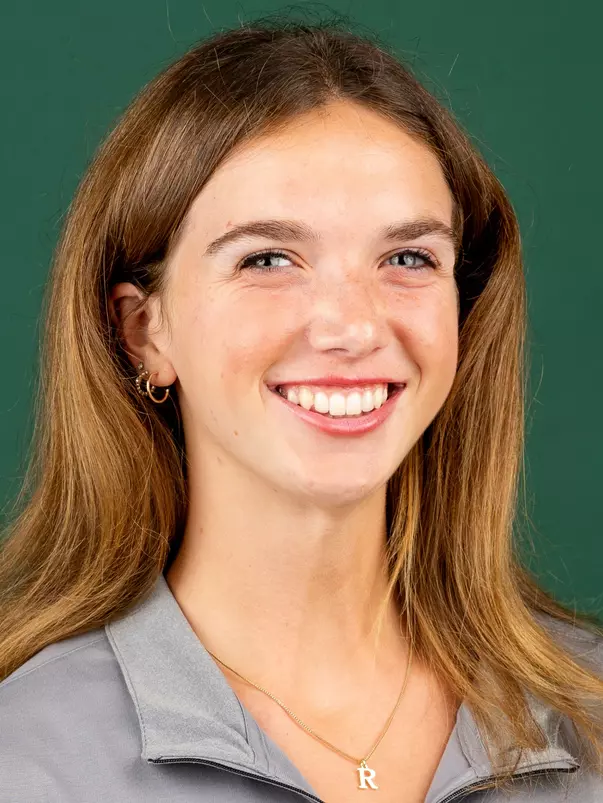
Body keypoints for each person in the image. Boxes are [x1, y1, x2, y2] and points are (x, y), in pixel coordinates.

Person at [0, 15, 602, 803]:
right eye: (268, 258)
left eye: (408, 257)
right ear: (144, 331)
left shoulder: (586, 713)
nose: (352, 326)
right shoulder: (26, 755)